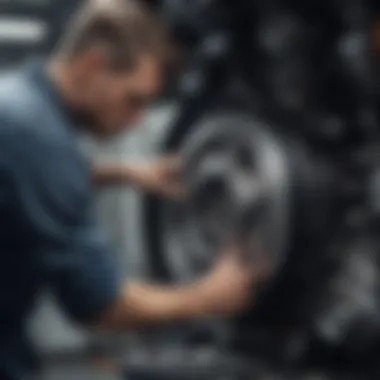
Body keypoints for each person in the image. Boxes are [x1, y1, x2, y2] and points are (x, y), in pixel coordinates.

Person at [0, 0, 269, 378]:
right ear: (93, 65)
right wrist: (206, 297)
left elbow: (22, 181)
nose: (137, 121)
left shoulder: (17, 103)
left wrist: (126, 173)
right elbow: (100, 305)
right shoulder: (37, 136)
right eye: (134, 100)